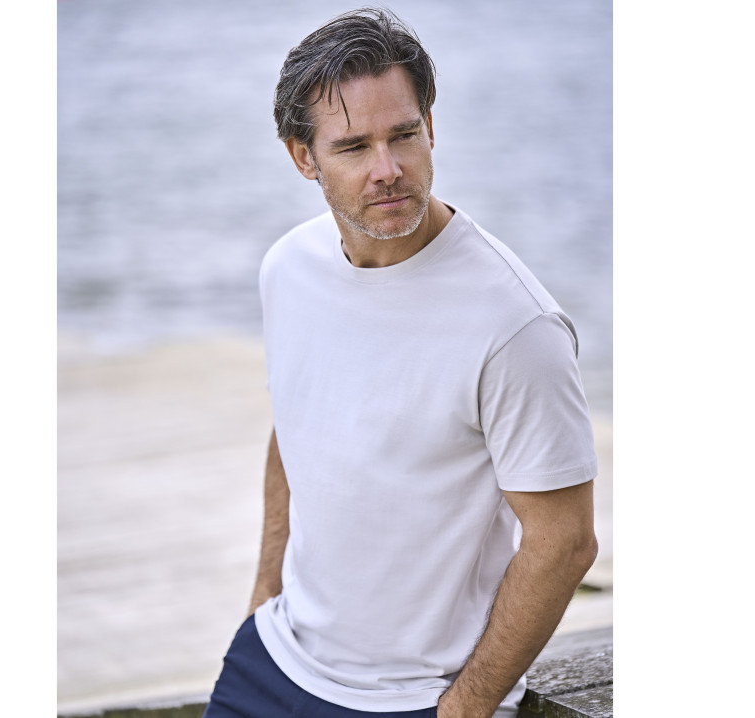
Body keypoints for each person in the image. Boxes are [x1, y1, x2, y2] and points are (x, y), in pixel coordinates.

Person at [204, 8, 598, 718]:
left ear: (431, 128)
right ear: (303, 158)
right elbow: (293, 426)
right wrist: (264, 596)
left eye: (404, 135)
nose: (387, 170)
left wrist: (467, 705)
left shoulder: (515, 325)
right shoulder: (287, 268)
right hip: (275, 660)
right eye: (354, 146)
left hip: (416, 698)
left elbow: (564, 542)